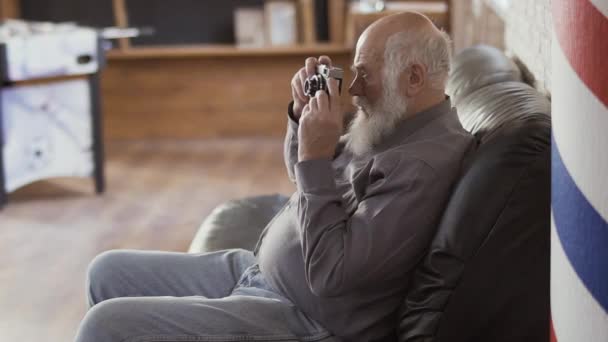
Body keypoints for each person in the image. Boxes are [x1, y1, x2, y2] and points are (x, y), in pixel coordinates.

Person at [75, 11, 474, 342]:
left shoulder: (422, 166)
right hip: (260, 274)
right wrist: (303, 121)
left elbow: (332, 274)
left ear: (415, 78)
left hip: (299, 317)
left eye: (365, 74)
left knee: (104, 326)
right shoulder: (394, 121)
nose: (353, 88)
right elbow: (304, 178)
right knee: (106, 271)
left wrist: (316, 155)